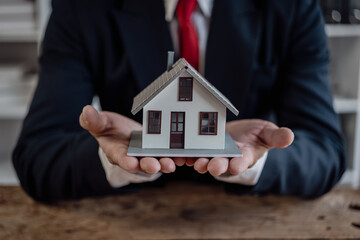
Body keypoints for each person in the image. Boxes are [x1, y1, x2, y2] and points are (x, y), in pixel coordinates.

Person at [13, 0, 345, 202]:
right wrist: (111, 157)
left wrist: (253, 162)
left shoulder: (293, 6)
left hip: (245, 213)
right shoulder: (81, 8)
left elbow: (325, 152)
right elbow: (37, 157)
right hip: (129, 213)